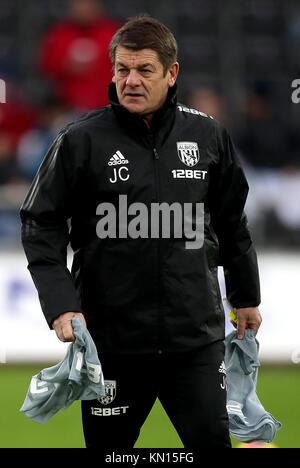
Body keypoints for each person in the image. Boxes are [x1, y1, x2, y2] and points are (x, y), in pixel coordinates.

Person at [20, 15, 262, 450]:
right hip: (112, 343)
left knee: (212, 441)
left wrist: (245, 297)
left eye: (144, 70)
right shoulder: (80, 139)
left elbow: (232, 222)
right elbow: (41, 222)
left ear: (171, 74)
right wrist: (60, 305)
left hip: (195, 341)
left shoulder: (208, 135)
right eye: (122, 69)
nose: (130, 80)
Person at [38, 0, 120, 112]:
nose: (82, 9)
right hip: (67, 108)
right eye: (78, 4)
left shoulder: (113, 34)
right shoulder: (60, 34)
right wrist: (66, 66)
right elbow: (46, 66)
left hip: (107, 106)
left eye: (87, 4)